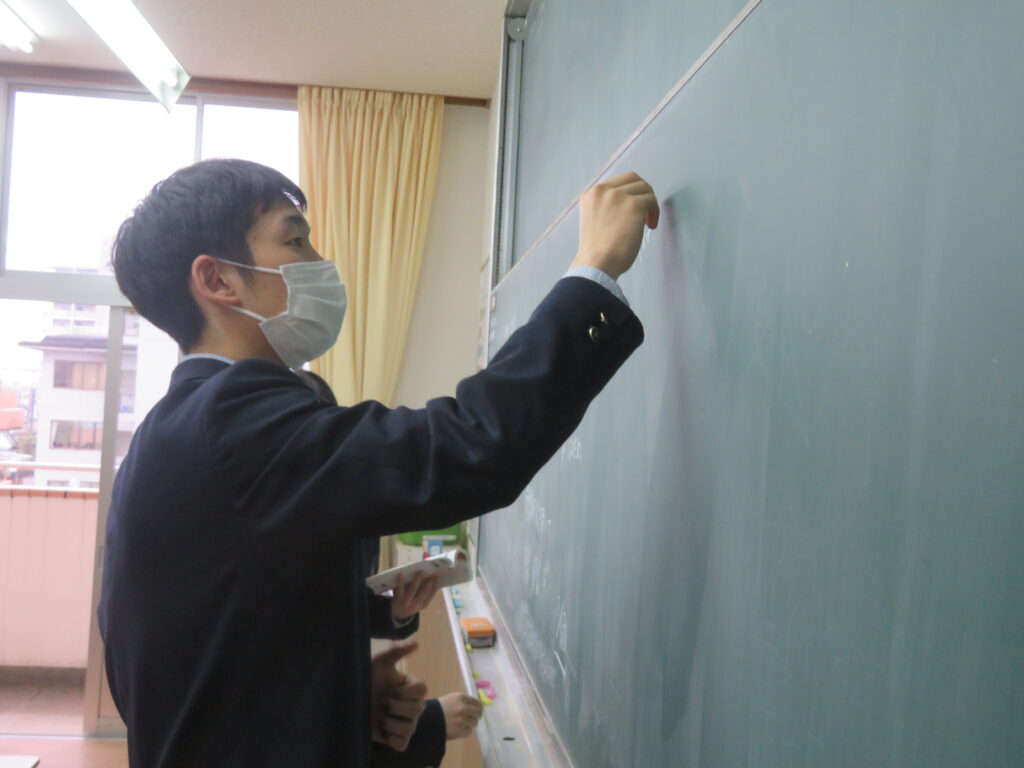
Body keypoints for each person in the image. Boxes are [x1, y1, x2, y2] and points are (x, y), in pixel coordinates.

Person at [98, 158, 658, 767]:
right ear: (218, 280)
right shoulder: (232, 419)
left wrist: (343, 697)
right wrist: (593, 272)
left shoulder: (177, 430)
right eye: (294, 241)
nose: (319, 261)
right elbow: (469, 447)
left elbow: (205, 651)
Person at [293, 368, 485, 766]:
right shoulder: (271, 542)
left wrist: (396, 611)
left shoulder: (345, 506)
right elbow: (291, 712)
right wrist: (429, 723)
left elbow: (340, 605)